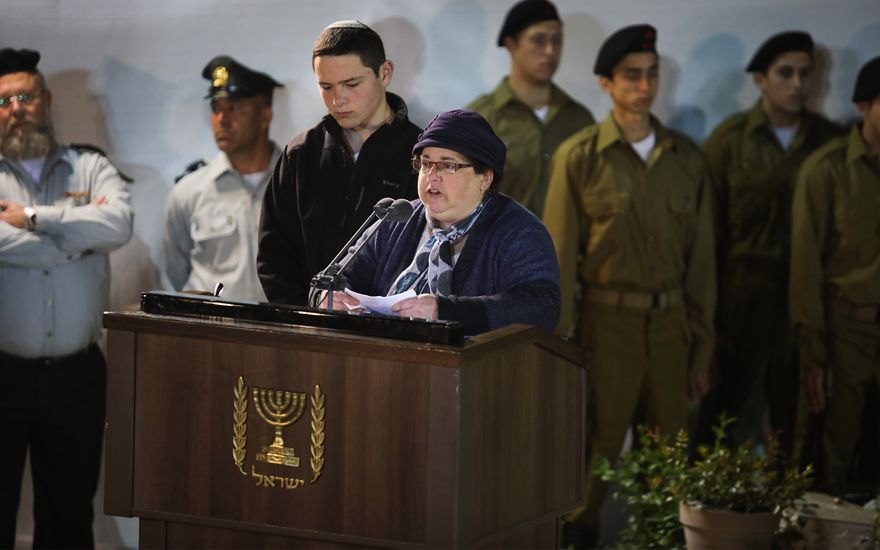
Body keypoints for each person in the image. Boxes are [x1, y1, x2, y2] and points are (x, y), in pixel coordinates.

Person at [541, 25, 715, 547]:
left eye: (652, 74)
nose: (645, 86)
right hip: (604, 324)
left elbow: (702, 265)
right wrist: (560, 345)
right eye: (632, 76)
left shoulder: (686, 160)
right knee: (594, 452)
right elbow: (558, 259)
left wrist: (701, 348)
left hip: (669, 328)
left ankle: (662, 539)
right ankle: (578, 536)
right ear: (606, 84)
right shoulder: (581, 156)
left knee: (671, 457)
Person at [0, 48, 134, 548]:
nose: (16, 108)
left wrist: (35, 218)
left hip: (76, 377)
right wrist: (75, 242)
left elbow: (118, 224)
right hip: (3, 373)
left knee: (69, 514)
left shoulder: (90, 166)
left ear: (46, 100)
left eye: (26, 96)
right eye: (5, 99)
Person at [698, 31, 843, 452]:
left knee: (798, 421)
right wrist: (709, 324)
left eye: (805, 73)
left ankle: (793, 513)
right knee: (721, 419)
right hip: (741, 298)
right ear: (761, 79)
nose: (798, 84)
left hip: (807, 302)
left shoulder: (830, 144)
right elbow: (710, 236)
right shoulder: (729, 141)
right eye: (785, 73)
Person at [322, 109, 560, 335]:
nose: (432, 175)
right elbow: (339, 275)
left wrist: (445, 311)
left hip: (475, 371)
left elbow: (541, 307)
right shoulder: (398, 217)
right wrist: (330, 296)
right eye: (426, 163)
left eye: (448, 165)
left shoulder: (518, 230)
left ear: (485, 178)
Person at [258, 20, 421, 305]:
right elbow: (274, 254)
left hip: (396, 332)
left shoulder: (423, 154)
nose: (338, 100)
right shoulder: (301, 154)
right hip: (311, 330)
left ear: (385, 73)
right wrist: (307, 312)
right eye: (326, 87)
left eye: (351, 84)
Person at [790, 56, 880, 490]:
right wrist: (815, 351)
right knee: (833, 451)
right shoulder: (827, 170)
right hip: (847, 330)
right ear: (864, 106)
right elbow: (806, 269)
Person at [164, 55, 283, 301]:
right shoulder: (189, 192)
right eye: (216, 109)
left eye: (235, 107)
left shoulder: (299, 185)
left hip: (281, 334)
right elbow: (178, 271)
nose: (222, 120)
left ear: (265, 115)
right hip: (213, 333)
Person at [466, 0, 594, 216]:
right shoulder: (481, 119)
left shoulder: (580, 120)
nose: (550, 50)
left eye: (557, 40)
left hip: (564, 249)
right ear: (511, 45)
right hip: (501, 247)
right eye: (538, 40)